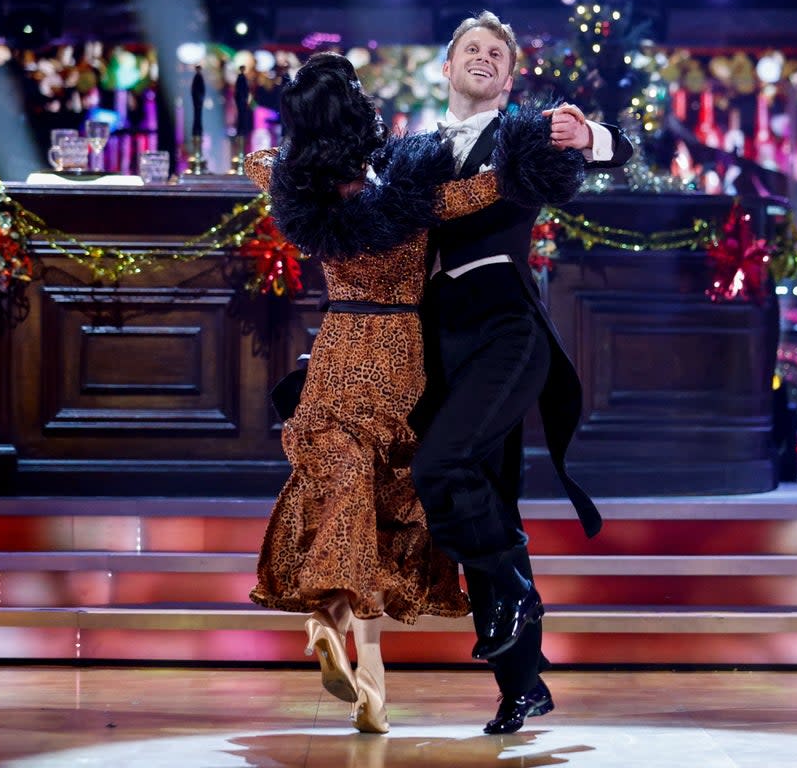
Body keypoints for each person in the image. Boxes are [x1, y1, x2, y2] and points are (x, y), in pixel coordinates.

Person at [243, 52, 585, 735]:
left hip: (337, 349)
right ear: (366, 123)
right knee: (387, 504)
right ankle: (367, 671)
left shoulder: (297, 192)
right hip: (396, 356)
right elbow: (481, 192)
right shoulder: (408, 201)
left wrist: (302, 154)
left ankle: (335, 631)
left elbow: (258, 160)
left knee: (339, 495)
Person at [410, 12, 634, 735]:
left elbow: (614, 152)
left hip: (507, 327)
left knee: (442, 466)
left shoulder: (522, 135)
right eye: (469, 49)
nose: (481, 58)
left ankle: (513, 595)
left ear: (509, 78)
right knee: (487, 497)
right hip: (441, 338)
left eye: (494, 53)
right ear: (447, 69)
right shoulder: (414, 151)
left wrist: (588, 133)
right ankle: (523, 685)